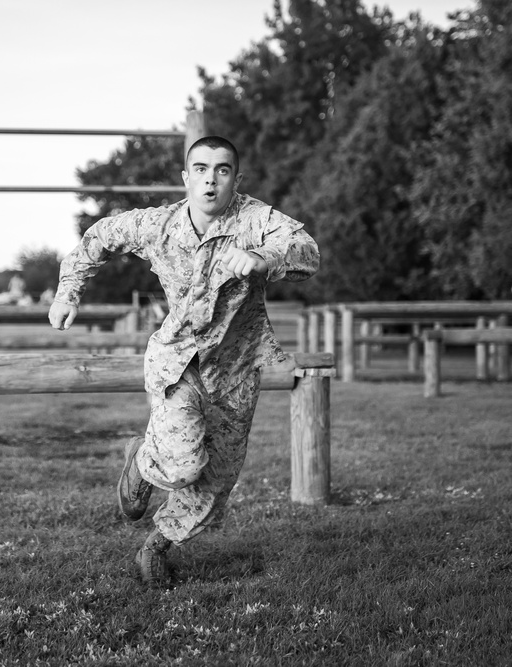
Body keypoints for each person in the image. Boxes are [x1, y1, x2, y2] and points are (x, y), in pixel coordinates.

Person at [48, 135, 320, 587]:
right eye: (200, 169)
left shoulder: (256, 220)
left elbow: (307, 251)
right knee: (182, 465)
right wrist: (67, 293)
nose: (210, 180)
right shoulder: (159, 225)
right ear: (186, 177)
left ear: (236, 178)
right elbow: (99, 237)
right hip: (178, 362)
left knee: (216, 480)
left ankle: (156, 546)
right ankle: (143, 461)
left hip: (235, 371)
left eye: (222, 170)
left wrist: (261, 257)